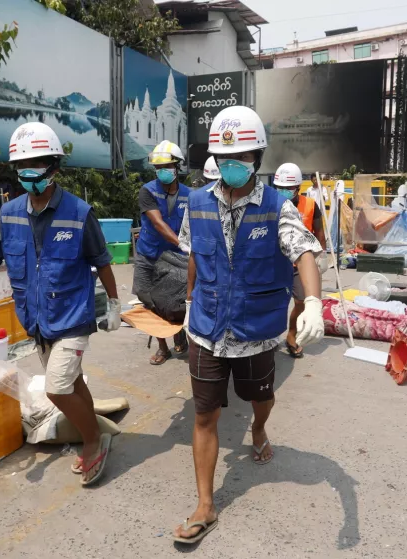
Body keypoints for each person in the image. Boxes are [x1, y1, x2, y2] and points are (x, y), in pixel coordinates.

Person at [172, 106, 325, 544]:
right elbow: (195, 255)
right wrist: (188, 301)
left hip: (254, 332)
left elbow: (304, 253)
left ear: (257, 157)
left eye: (241, 156)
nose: (232, 164)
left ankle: (258, 427)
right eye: (224, 158)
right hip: (206, 328)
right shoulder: (196, 202)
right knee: (205, 414)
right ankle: (205, 504)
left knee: (261, 397)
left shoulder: (278, 206)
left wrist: (313, 302)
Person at [0, 122, 121, 487]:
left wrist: (114, 303)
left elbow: (102, 260)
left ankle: (93, 440)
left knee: (56, 388)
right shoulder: (10, 213)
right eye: (22, 165)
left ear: (54, 166)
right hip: (36, 320)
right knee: (72, 382)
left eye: (36, 164)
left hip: (72, 318)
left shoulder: (78, 212)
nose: (28, 172)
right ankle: (90, 430)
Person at [134, 141, 191, 365]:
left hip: (176, 259)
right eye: (158, 167)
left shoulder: (189, 195)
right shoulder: (147, 191)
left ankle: (178, 333)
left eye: (166, 166)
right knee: (149, 299)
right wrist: (183, 244)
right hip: (149, 255)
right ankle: (162, 347)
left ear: (177, 166)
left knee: (177, 299)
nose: (162, 171)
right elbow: (158, 223)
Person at [274, 162, 328, 358]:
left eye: (288, 187)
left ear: (298, 187)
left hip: (300, 263)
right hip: (276, 262)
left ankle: (291, 334)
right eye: (280, 187)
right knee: (272, 302)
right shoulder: (270, 204)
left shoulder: (311, 205)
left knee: (301, 302)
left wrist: (321, 256)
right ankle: (269, 335)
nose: (284, 191)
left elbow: (319, 233)